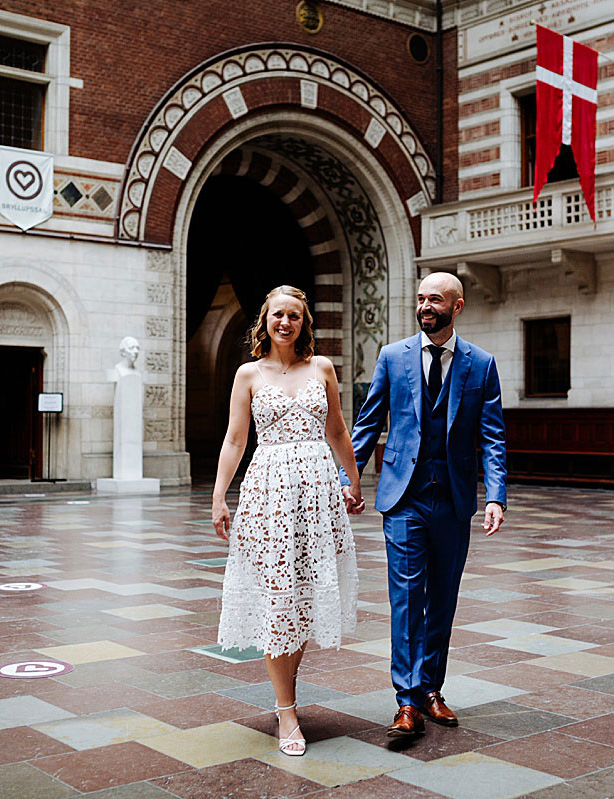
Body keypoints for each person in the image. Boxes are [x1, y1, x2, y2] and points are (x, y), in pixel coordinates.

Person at [342, 271, 507, 737]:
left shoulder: (481, 364)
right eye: (420, 299)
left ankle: (432, 689)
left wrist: (495, 495)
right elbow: (367, 424)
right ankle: (407, 699)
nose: (424, 306)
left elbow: (493, 438)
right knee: (408, 598)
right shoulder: (393, 357)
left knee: (443, 599)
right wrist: (347, 479)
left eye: (434, 299)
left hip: (453, 500)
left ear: (457, 306)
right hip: (404, 497)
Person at [213, 284, 364, 757]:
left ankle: (288, 692)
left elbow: (337, 428)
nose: (285, 322)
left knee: (304, 596)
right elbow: (236, 439)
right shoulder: (248, 374)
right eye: (278, 315)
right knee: (279, 595)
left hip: (318, 493)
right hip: (269, 493)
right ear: (265, 320)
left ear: (304, 323)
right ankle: (286, 710)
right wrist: (219, 496)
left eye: (294, 316)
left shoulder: (321, 367)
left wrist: (355, 482)